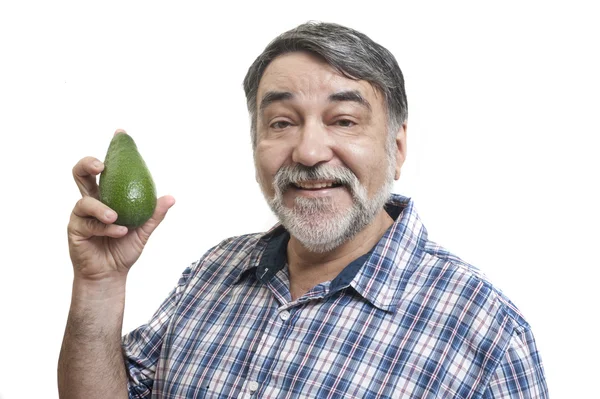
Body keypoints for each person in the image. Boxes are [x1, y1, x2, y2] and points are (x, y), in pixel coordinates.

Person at [58, 22, 548, 398]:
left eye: (344, 120)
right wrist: (100, 285)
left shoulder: (487, 332)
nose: (309, 151)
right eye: (281, 122)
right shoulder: (212, 272)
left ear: (397, 148)